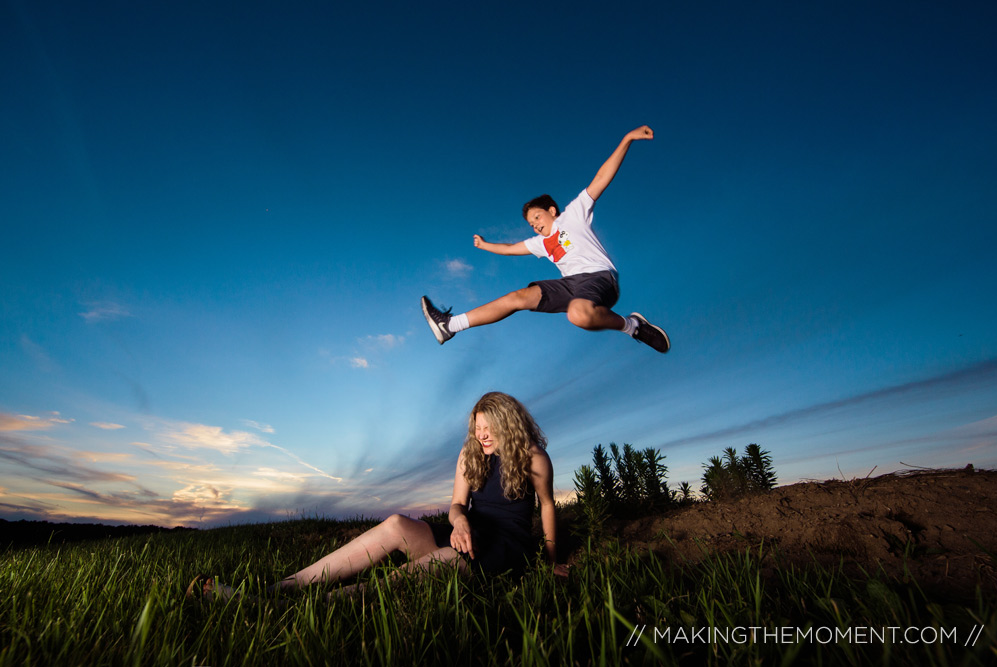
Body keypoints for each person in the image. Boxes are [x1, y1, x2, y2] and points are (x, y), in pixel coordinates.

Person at [188, 392, 567, 602]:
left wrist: (551, 561)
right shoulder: (469, 455)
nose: (482, 435)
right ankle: (282, 589)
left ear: (507, 423)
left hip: (504, 546)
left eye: (488, 428)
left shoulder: (534, 458)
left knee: (438, 564)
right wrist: (460, 519)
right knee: (395, 524)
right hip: (468, 532)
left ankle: (299, 608)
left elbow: (547, 507)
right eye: (477, 428)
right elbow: (455, 505)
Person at [421, 125, 670, 354]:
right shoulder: (539, 243)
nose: (536, 225)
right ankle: (450, 325)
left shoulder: (573, 214)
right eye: (531, 224)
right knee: (517, 298)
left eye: (538, 217)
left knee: (578, 316)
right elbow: (509, 249)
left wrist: (627, 139)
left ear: (552, 210)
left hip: (599, 277)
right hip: (569, 285)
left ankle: (632, 325)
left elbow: (601, 178)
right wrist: (485, 245)